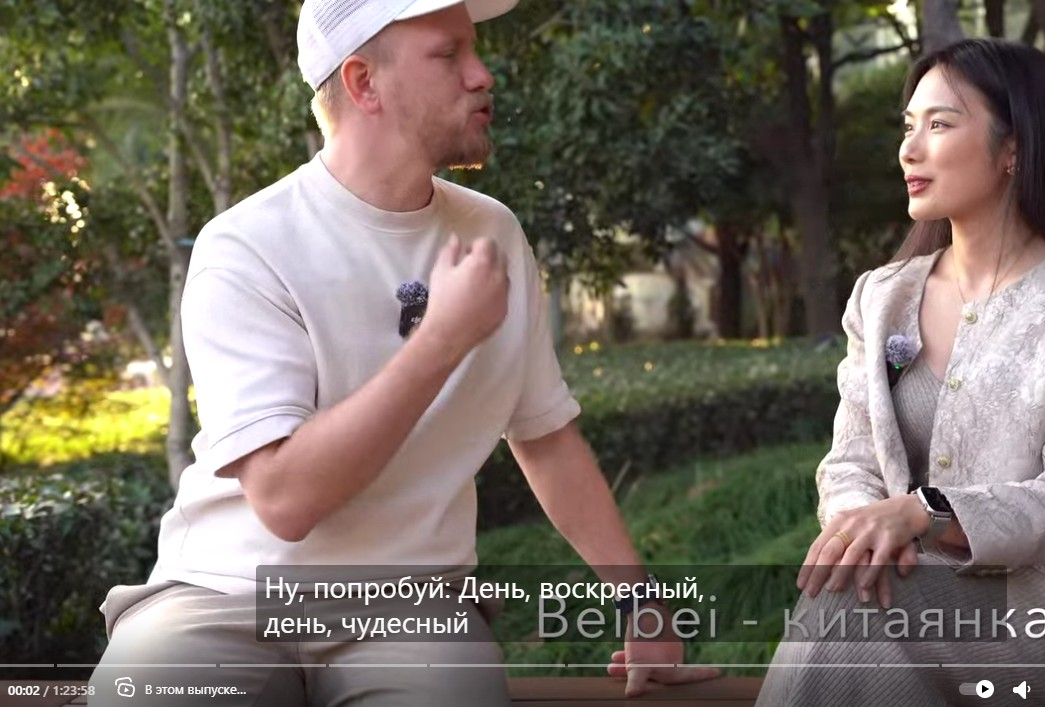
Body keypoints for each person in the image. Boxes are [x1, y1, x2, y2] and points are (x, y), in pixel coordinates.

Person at [87, 1, 718, 704]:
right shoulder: (246, 246)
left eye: (473, 50)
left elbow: (543, 435)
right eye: (448, 55)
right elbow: (285, 499)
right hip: (222, 595)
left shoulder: (493, 233)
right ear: (363, 82)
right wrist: (442, 337)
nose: (483, 75)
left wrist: (641, 602)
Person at [757, 38, 1045, 706]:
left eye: (938, 124)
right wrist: (866, 531)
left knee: (862, 604)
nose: (909, 150)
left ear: (1013, 147)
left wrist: (925, 514)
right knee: (861, 594)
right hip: (905, 591)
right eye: (907, 127)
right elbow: (850, 461)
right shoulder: (880, 298)